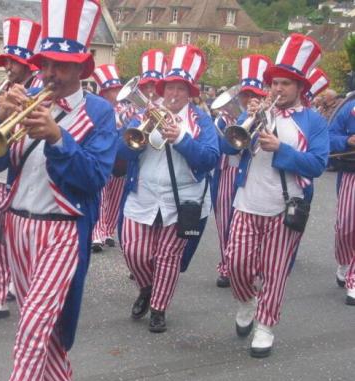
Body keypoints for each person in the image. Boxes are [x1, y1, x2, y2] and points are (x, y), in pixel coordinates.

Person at [0, 1, 116, 381]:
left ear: (82, 68)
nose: (52, 72)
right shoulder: (28, 99)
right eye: (47, 63)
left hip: (62, 226)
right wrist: (1, 121)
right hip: (18, 223)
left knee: (31, 327)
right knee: (38, 321)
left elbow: (94, 179)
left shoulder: (99, 113)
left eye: (63, 65)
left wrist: (59, 137)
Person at [224, 34, 328, 357]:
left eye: (285, 84)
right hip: (246, 203)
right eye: (275, 83)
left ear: (300, 87)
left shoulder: (312, 121)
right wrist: (246, 119)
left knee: (275, 270)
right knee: (236, 263)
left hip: (284, 207)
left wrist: (281, 149)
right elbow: (229, 146)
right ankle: (246, 301)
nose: (277, 89)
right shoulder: (258, 111)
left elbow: (317, 164)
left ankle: (265, 326)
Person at [118, 44, 219, 333]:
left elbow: (211, 158)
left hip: (181, 200)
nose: (173, 94)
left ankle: (159, 308)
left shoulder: (201, 120)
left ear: (190, 93)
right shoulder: (145, 114)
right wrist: (140, 128)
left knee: (167, 257)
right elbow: (121, 152)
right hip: (143, 196)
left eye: (180, 89)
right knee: (134, 251)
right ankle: (147, 288)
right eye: (169, 88)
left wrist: (182, 139)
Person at [0, 16, 42, 323]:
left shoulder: (39, 90)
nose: (8, 69)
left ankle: (21, 286)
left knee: (21, 240)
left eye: (13, 63)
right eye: (7, 62)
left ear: (28, 65)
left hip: (23, 177)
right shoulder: (3, 91)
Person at [211, 54, 271, 289]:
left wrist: (260, 117)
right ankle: (227, 265)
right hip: (227, 172)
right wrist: (246, 118)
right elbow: (224, 146)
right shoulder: (224, 119)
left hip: (255, 173)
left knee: (253, 222)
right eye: (245, 95)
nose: (249, 99)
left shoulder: (268, 114)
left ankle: (255, 265)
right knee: (225, 221)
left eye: (255, 95)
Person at [91, 63, 126, 253]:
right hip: (104, 158)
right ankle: (97, 233)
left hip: (120, 161)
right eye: (113, 90)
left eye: (118, 89)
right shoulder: (98, 109)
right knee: (102, 197)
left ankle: (108, 231)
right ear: (104, 92)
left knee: (115, 198)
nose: (117, 92)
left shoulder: (125, 109)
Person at [329, 75, 355, 304]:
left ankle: (354, 280)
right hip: (350, 173)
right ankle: (344, 259)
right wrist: (348, 141)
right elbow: (329, 137)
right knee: (345, 226)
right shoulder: (348, 107)